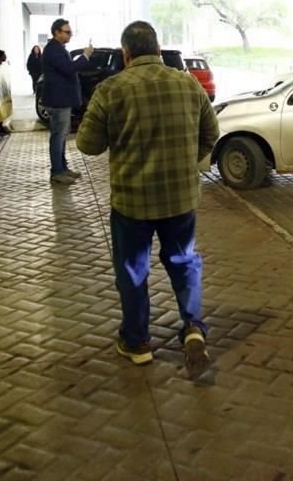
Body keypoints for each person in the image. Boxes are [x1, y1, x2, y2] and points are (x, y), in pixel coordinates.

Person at [76, 20, 219, 378]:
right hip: (180, 198)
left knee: (132, 270)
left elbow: (88, 145)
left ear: (126, 54)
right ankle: (192, 328)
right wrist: (187, 162)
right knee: (184, 262)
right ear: (158, 50)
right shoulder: (186, 83)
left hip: (132, 201)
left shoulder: (111, 89)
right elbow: (211, 133)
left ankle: (138, 341)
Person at [41, 18, 93, 185]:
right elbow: (69, 68)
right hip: (58, 101)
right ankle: (57, 171)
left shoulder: (58, 48)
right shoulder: (53, 50)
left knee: (61, 135)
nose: (70, 35)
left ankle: (62, 168)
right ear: (57, 32)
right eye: (67, 32)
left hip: (61, 99)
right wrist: (85, 56)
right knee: (58, 136)